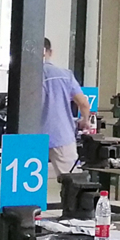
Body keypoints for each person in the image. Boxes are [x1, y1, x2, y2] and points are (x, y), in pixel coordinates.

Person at [40, 38, 91, 177]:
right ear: (50, 52)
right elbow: (83, 103)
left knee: (25, 183)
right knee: (73, 180)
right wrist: (85, 120)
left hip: (30, 136)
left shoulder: (25, 75)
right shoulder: (65, 75)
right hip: (61, 134)